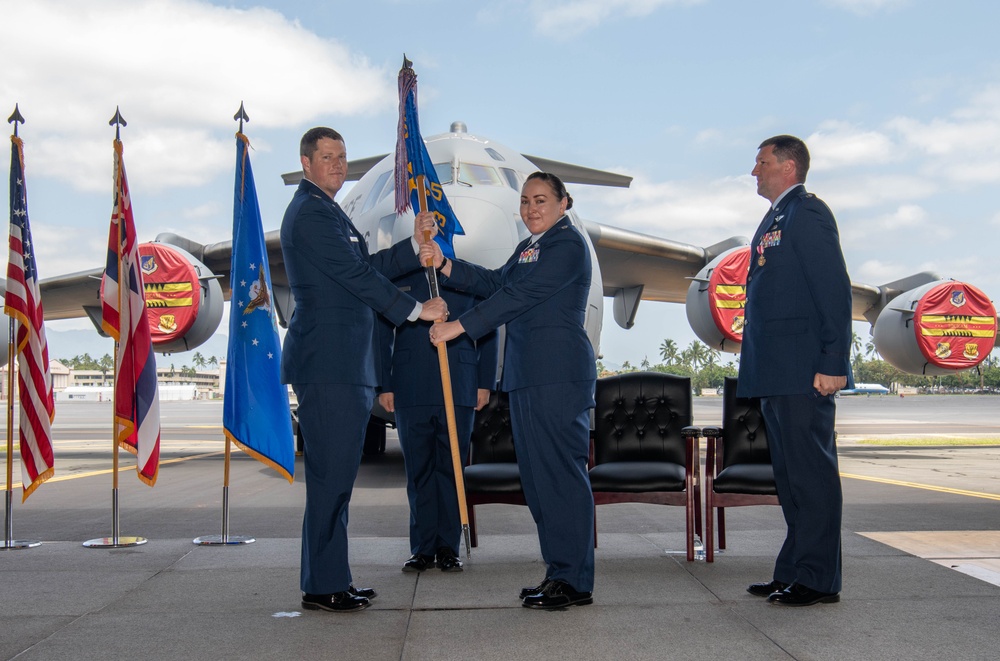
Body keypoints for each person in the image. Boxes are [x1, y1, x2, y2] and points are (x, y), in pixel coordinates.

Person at [280, 127, 448, 613]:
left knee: (335, 482)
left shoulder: (327, 212)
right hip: (330, 365)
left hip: (343, 363)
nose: (337, 165)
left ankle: (331, 578)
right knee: (331, 480)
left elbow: (365, 264)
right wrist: (418, 311)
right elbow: (355, 277)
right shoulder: (311, 213)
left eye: (342, 157)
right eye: (327, 157)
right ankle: (322, 586)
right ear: (306, 163)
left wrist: (411, 247)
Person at [422, 172, 597, 610]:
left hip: (557, 377)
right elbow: (497, 282)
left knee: (561, 478)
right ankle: (559, 572)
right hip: (525, 377)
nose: (531, 208)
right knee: (539, 483)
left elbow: (520, 295)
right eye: (525, 201)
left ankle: (575, 580)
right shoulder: (529, 248)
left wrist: (459, 326)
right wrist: (445, 264)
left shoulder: (567, 245)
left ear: (564, 203)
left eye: (541, 200)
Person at [738, 135, 853, 607]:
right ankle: (793, 569)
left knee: (812, 477)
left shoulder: (807, 212)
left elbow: (834, 290)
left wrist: (833, 363)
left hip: (804, 371)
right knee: (790, 479)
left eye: (761, 162)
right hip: (775, 370)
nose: (754, 170)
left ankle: (819, 579)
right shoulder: (774, 218)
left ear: (788, 166)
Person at [376, 226, 499, 573]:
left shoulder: (466, 277)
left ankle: (448, 547)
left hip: (459, 386)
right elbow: (382, 332)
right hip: (410, 386)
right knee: (419, 471)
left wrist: (484, 383)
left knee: (451, 468)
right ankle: (422, 548)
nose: (431, 243)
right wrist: (385, 384)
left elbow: (489, 329)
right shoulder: (400, 279)